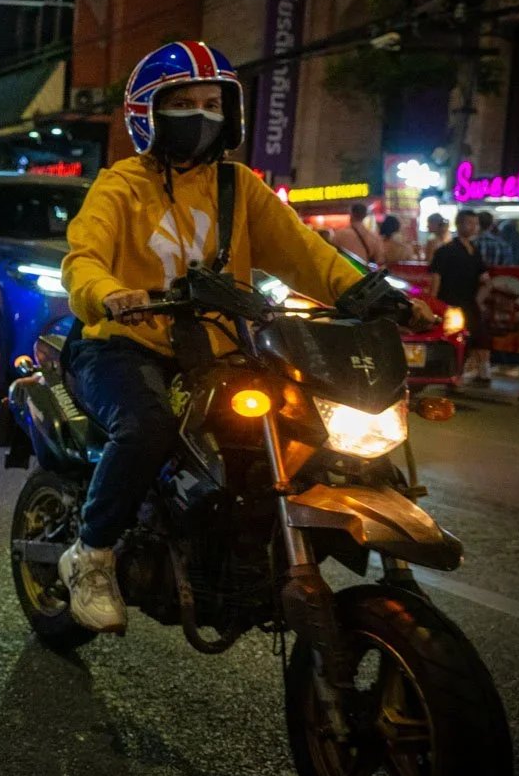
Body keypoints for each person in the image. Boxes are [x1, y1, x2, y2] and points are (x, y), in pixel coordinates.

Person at [57, 40, 433, 634]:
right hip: (122, 345)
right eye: (184, 102)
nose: (201, 115)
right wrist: (108, 294)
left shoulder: (239, 187)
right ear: (148, 114)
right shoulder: (120, 186)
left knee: (306, 422)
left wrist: (373, 296)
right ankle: (93, 554)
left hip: (219, 350)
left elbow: (309, 255)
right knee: (147, 427)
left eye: (213, 102)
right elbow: (83, 260)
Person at [431, 209, 490, 383]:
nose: (473, 227)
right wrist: (433, 303)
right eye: (469, 223)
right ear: (459, 224)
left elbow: (486, 280)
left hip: (469, 303)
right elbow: (436, 279)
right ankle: (454, 375)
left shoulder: (475, 251)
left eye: (475, 224)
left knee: (478, 337)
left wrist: (478, 301)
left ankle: (474, 371)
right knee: (453, 341)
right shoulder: (445, 251)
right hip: (450, 303)